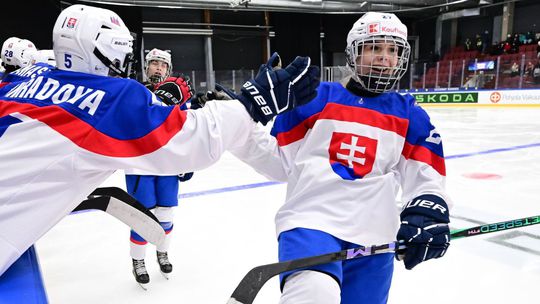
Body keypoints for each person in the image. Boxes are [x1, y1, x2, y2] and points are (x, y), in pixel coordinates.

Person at [0, 4, 319, 276]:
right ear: (103, 50)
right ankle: (140, 259)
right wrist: (255, 100)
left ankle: (157, 252)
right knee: (148, 211)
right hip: (145, 158)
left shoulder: (23, 80)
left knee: (163, 211)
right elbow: (194, 140)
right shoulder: (106, 99)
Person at [229, 12, 451, 303]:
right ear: (354, 53)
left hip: (376, 237)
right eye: (374, 47)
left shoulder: (410, 115)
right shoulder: (314, 98)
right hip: (311, 223)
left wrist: (427, 211)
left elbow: (426, 177)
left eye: (393, 50)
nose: (385, 57)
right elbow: (280, 161)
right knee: (314, 294)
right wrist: (235, 125)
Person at [125, 48, 194, 285]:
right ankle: (138, 260)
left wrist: (187, 161)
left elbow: (186, 130)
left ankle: (162, 251)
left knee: (165, 213)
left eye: (163, 65)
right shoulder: (134, 91)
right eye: (154, 63)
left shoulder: (180, 96)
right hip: (140, 164)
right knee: (142, 215)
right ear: (146, 67)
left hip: (167, 164)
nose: (159, 68)